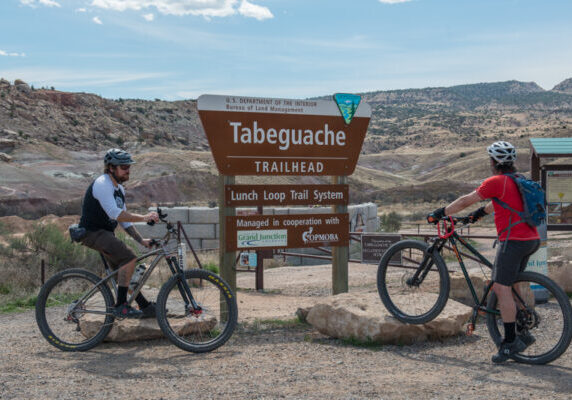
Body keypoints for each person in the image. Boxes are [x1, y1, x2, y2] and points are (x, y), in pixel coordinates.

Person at [427, 141, 540, 364]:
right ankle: (522, 332)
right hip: (531, 239)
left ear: (493, 162)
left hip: (513, 241)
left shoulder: (495, 181)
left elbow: (465, 200)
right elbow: (496, 205)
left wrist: (440, 213)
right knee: (512, 285)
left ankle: (509, 344)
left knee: (500, 287)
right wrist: (475, 216)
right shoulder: (518, 180)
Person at [79, 148, 159, 318]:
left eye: (128, 166)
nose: (127, 170)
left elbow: (124, 221)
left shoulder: (119, 190)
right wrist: (145, 217)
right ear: (111, 168)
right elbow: (116, 214)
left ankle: (145, 306)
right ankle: (121, 306)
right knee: (129, 258)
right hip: (93, 232)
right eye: (123, 167)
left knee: (123, 273)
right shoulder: (103, 184)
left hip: (105, 234)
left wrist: (141, 240)